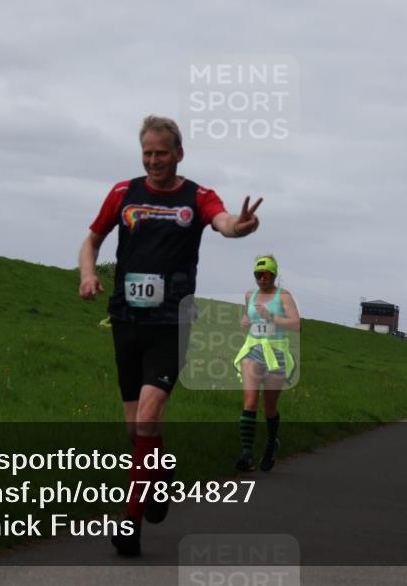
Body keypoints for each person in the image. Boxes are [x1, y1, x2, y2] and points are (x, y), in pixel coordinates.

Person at [78, 115, 262, 556]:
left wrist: (241, 226)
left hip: (171, 323)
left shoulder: (197, 196)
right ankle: (160, 478)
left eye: (162, 153)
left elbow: (222, 222)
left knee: (147, 412)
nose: (154, 160)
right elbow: (92, 239)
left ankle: (129, 523)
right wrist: (87, 274)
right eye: (147, 153)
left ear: (178, 153)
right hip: (126, 321)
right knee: (135, 429)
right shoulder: (124, 193)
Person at [234, 255, 300, 472]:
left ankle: (272, 444)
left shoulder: (284, 297)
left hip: (277, 353)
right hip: (253, 349)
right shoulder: (249, 295)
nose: (261, 279)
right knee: (250, 401)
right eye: (257, 275)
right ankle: (246, 454)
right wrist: (246, 321)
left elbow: (296, 325)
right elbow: (250, 318)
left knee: (269, 407)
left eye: (266, 275)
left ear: (274, 275)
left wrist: (272, 316)